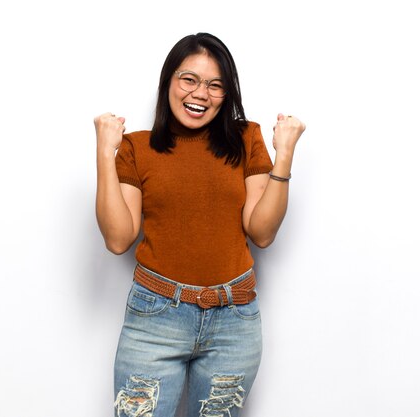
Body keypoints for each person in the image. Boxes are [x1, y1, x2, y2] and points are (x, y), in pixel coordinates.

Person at [93, 32, 305, 417]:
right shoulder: (137, 148)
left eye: (215, 85)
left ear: (227, 94)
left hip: (234, 320)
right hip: (154, 319)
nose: (200, 94)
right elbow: (118, 239)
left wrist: (284, 155)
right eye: (189, 79)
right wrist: (104, 153)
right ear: (169, 82)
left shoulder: (246, 138)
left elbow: (262, 232)